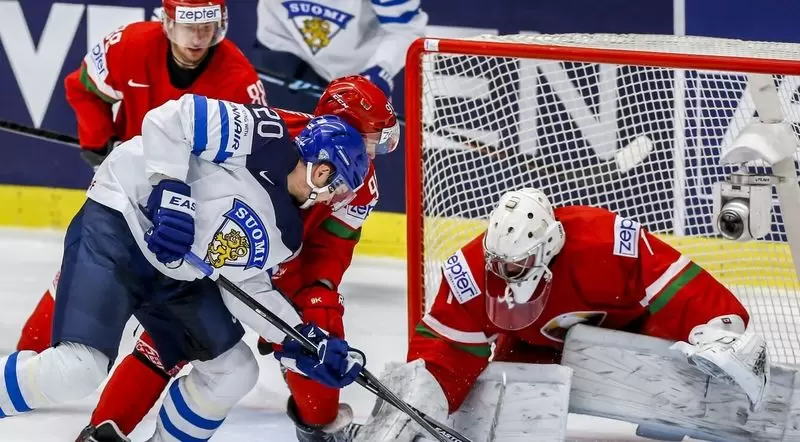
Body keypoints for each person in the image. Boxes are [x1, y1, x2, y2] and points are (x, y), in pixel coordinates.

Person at [0, 94, 370, 442]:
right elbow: (169, 120)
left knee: (235, 372)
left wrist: (299, 339)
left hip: (175, 276)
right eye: (339, 187)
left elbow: (246, 288)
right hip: (122, 223)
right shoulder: (263, 134)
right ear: (321, 172)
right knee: (77, 369)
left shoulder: (288, 234)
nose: (336, 198)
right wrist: (171, 190)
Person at [353, 187, 770, 442]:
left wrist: (720, 327)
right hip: (534, 346)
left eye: (516, 266)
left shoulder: (603, 239)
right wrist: (417, 402)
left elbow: (671, 282)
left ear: (549, 244)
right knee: (508, 398)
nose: (505, 274)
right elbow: (447, 348)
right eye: (499, 263)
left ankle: (670, 400)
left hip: (635, 336)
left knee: (679, 356)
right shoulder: (472, 270)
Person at [16, 0, 267, 355]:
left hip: (189, 206)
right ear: (167, 23)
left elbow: (245, 165)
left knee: (175, 301)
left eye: (207, 26)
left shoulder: (239, 82)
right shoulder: (129, 45)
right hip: (123, 188)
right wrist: (98, 142)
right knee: (86, 267)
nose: (198, 37)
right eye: (187, 26)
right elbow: (83, 87)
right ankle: (28, 358)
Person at [253, 0, 427, 110]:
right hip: (285, 46)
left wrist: (381, 68)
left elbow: (406, 30)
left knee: (345, 158)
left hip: (355, 70)